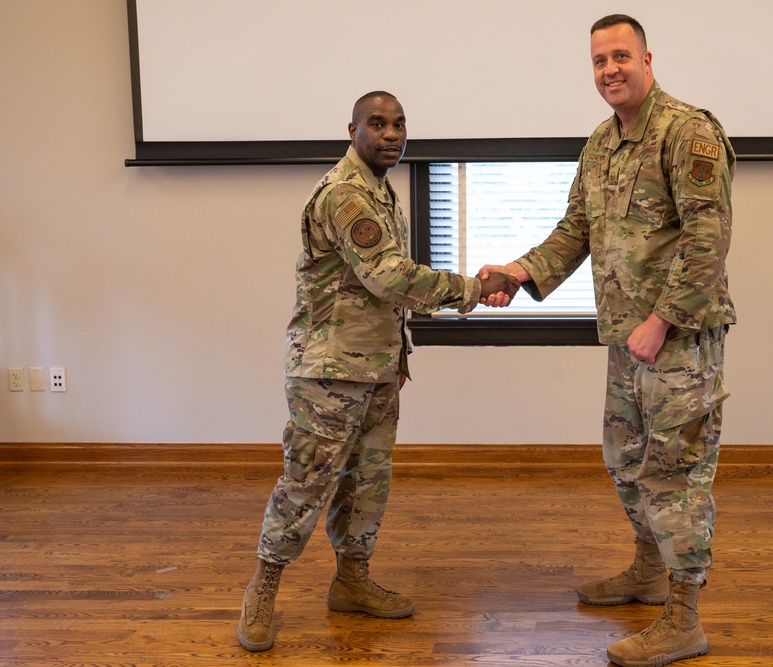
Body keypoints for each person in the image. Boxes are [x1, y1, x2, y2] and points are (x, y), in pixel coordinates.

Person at [480, 14, 736, 667]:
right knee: (626, 461)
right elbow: (575, 230)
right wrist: (521, 271)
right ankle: (648, 569)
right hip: (628, 339)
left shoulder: (689, 133)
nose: (609, 70)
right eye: (598, 61)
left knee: (675, 477)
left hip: (678, 339)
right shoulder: (601, 144)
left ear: (648, 59)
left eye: (620, 56)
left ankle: (684, 618)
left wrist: (664, 319)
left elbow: (708, 240)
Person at [237, 91, 519, 652]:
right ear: (352, 129)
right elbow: (389, 279)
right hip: (329, 371)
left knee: (367, 482)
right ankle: (263, 586)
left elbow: (377, 298)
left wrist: (399, 359)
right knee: (307, 482)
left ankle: (351, 580)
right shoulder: (347, 196)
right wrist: (473, 287)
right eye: (377, 124)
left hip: (375, 369)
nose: (391, 134)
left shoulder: (380, 192)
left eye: (399, 124)